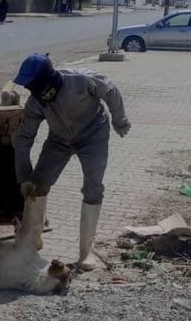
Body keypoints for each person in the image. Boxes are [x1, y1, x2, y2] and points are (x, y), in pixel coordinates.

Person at [11, 53, 130, 272]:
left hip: (94, 135)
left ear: (48, 77)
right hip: (59, 141)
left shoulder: (82, 80)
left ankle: (86, 252)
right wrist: (24, 178)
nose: (35, 91)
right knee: (37, 185)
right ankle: (32, 240)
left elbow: (110, 91)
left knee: (93, 187)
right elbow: (24, 139)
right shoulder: (36, 102)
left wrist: (119, 119)